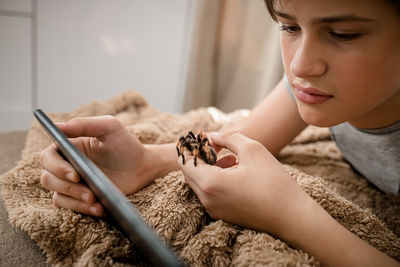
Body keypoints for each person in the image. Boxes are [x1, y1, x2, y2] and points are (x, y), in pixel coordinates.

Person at [39, 0, 400, 266]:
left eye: (343, 34)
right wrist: (146, 161)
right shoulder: (311, 86)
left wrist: (289, 214)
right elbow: (244, 134)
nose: (300, 65)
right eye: (290, 27)